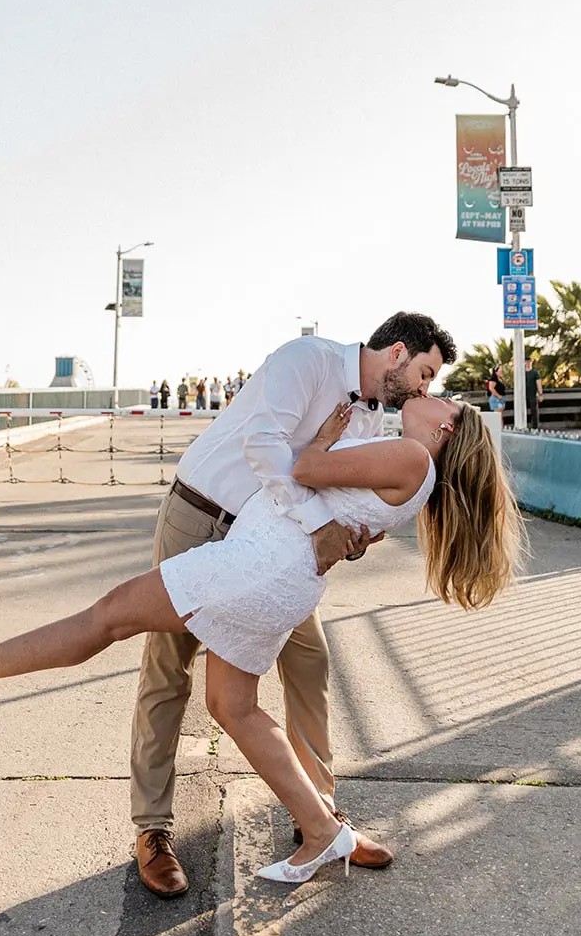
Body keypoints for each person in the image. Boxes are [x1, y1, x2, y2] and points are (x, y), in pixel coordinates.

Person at [0, 391, 521, 887]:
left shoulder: (413, 460)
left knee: (110, 616)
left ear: (445, 431)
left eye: (449, 404)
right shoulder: (407, 466)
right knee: (232, 706)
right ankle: (320, 828)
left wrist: (324, 441)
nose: (435, 395)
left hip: (254, 567)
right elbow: (325, 491)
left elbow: (300, 467)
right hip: (284, 578)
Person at [128, 312, 456, 897]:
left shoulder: (377, 416)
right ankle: (152, 830)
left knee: (309, 660)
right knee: (168, 666)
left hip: (272, 544)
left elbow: (338, 483)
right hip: (203, 515)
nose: (426, 390)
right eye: (425, 374)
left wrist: (355, 535)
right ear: (398, 353)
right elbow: (264, 446)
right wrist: (320, 526)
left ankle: (321, 817)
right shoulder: (307, 361)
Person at [524, 356, 544, 430]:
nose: (528, 363)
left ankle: (535, 428)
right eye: (526, 361)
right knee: (523, 411)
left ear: (531, 362)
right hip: (523, 395)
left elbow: (538, 383)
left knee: (534, 411)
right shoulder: (522, 373)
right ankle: (524, 426)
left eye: (529, 361)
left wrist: (540, 394)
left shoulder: (535, 372)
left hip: (532, 395)